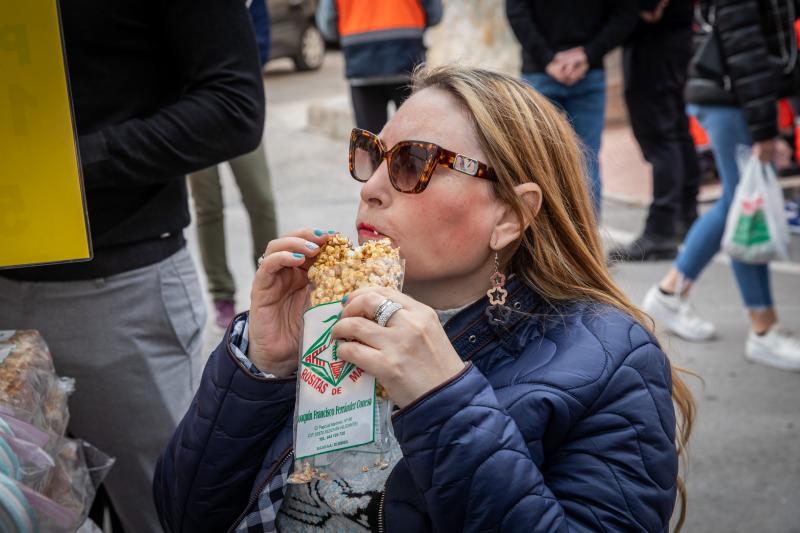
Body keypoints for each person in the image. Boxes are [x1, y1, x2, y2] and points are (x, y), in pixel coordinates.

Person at [154, 65, 694, 532]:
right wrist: (261, 369)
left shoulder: (612, 361)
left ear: (510, 214)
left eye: (413, 163)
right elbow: (182, 516)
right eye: (373, 155)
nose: (370, 187)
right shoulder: (326, 318)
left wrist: (443, 400)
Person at [0, 0, 265, 530]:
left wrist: (68, 161)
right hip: (9, 291)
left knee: (169, 516)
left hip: (117, 290)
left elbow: (234, 106)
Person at [642, 0, 800, 369]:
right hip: (731, 101)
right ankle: (763, 330)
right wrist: (764, 130)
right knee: (748, 207)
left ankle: (670, 291)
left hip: (734, 98)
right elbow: (744, 49)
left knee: (736, 202)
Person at [188, 0, 279, 331]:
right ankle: (221, 295)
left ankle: (270, 284)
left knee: (261, 199)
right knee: (208, 206)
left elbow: (263, 45)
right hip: (191, 110)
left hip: (237, 107)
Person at [506, 0, 639, 216]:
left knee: (535, 159)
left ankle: (540, 240)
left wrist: (550, 60)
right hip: (580, 71)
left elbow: (517, 13)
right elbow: (624, 14)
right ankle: (587, 243)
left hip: (546, 71)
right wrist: (587, 55)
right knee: (585, 161)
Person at [609, 0, 701, 261]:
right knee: (674, 130)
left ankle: (662, 230)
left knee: (661, 136)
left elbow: (650, 10)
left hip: (655, 41)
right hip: (667, 37)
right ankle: (685, 216)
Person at [316, 0, 442, 133]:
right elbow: (435, 14)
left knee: (371, 146)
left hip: (361, 66)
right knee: (414, 143)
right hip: (408, 63)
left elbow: (328, 26)